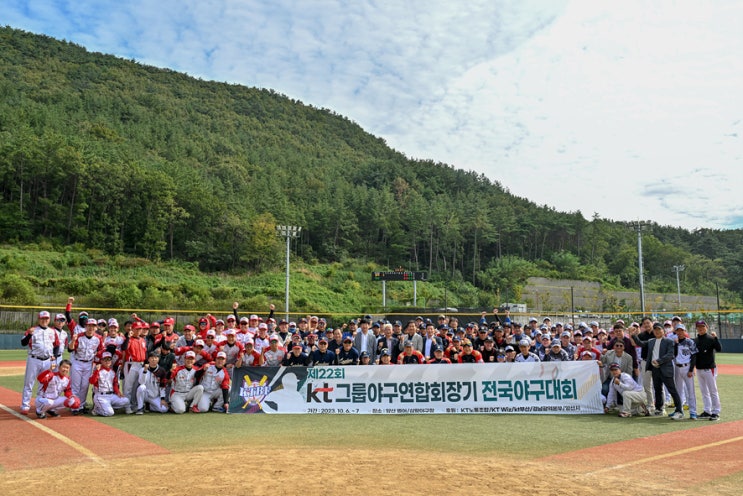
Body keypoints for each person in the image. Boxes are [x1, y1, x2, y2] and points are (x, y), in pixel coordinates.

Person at [636, 323, 684, 419]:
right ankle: (659, 409)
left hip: (666, 368)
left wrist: (659, 361)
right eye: (655, 329)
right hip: (655, 369)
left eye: (659, 329)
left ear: (663, 331)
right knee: (657, 389)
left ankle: (679, 410)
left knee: (672, 389)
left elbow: (670, 354)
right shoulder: (651, 341)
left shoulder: (669, 341)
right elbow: (640, 343)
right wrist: (633, 335)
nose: (657, 331)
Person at [20, 310, 61, 414]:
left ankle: (40, 405)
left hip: (47, 360)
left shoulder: (52, 331)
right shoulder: (33, 330)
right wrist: (29, 335)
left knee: (44, 383)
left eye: (46, 318)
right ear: (39, 319)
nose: (44, 320)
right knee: (29, 382)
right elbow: (23, 343)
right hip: (34, 359)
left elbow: (57, 345)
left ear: (49, 319)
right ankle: (25, 405)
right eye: (42, 318)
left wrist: (55, 356)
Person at [67, 317, 103, 414]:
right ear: (86, 326)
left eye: (93, 326)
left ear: (96, 327)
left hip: (89, 363)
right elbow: (70, 349)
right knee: (75, 385)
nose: (91, 328)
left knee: (85, 385)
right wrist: (73, 341)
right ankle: (74, 407)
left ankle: (81, 405)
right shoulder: (79, 336)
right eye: (89, 325)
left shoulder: (98, 338)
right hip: (77, 362)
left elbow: (101, 351)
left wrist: (98, 361)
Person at [694, 320, 722, 420]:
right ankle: (707, 411)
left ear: (707, 327)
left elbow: (719, 349)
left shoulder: (711, 338)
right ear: (696, 328)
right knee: (704, 391)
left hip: (709, 369)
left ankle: (716, 412)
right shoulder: (695, 340)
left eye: (702, 326)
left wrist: (716, 338)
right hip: (699, 369)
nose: (701, 328)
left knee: (713, 391)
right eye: (699, 327)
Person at [89, 352, 131, 416]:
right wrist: (96, 371)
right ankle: (97, 409)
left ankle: (105, 406)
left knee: (126, 401)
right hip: (101, 396)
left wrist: (118, 393)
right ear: (101, 361)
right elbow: (92, 381)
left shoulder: (112, 372)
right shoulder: (98, 370)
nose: (107, 361)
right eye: (105, 359)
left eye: (109, 359)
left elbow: (115, 384)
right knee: (110, 413)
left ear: (111, 361)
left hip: (111, 395)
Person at [672, 324, 698, 419]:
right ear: (676, 332)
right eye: (678, 330)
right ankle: (679, 411)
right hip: (677, 367)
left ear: (684, 331)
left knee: (690, 391)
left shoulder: (690, 342)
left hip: (687, 367)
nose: (680, 332)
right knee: (678, 391)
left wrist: (691, 369)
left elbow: (694, 356)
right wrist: (676, 344)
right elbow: (674, 355)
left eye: (681, 330)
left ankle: (693, 412)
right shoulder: (675, 342)